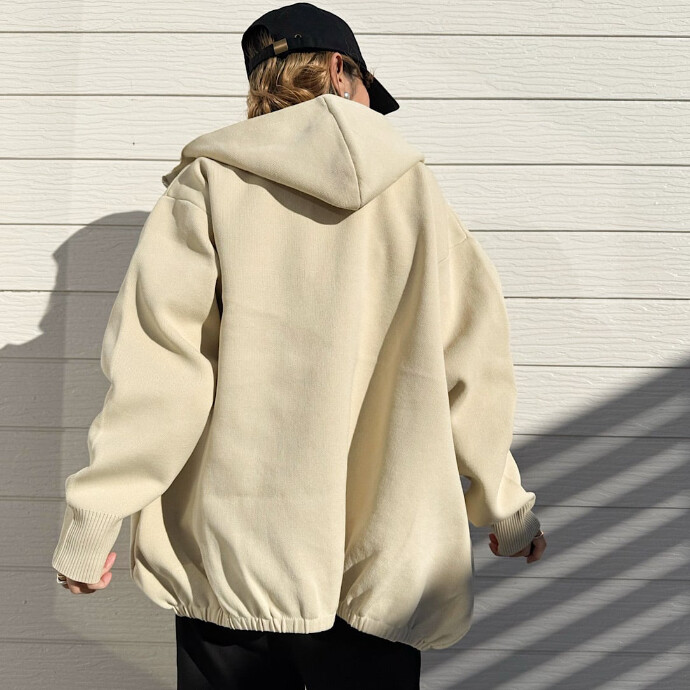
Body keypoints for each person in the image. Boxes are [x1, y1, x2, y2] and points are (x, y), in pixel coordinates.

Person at [52, 3, 547, 688]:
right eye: (368, 86)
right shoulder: (418, 197)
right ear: (341, 70)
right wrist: (506, 511)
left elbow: (159, 374)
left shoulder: (211, 184)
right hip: (380, 568)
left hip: (235, 564)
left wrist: (94, 520)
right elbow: (473, 371)